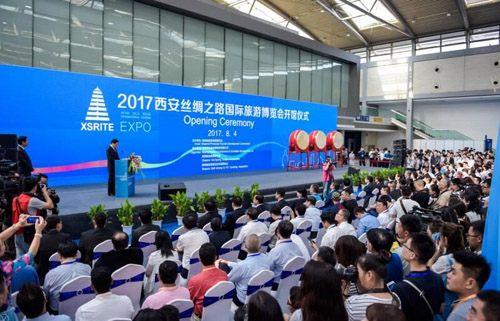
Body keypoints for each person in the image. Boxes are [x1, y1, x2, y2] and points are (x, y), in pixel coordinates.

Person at [392, 233, 445, 321]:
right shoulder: (437, 278)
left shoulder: (401, 288)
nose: (403, 247)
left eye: (405, 245)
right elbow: (441, 309)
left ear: (412, 255)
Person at [218, 234, 272, 306]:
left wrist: (217, 268)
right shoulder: (266, 258)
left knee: (222, 267)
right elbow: (243, 267)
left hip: (242, 300)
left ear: (245, 246)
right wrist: (229, 263)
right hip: (261, 296)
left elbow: (227, 280)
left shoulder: (242, 266)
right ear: (260, 247)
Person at [345, 254, 400, 321]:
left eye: (357, 272)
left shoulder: (352, 302)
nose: (356, 276)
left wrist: (345, 288)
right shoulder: (396, 299)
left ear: (369, 275)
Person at [0, 214, 46, 295]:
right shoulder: (6, 268)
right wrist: (38, 232)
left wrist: (19, 225)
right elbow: (30, 254)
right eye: (3, 243)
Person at [43, 240, 91, 314]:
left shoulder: (51, 274)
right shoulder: (87, 268)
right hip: (84, 307)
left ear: (59, 255)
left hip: (57, 311)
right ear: (76, 254)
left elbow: (46, 295)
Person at [12, 177, 54, 256]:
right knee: (30, 257)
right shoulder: (32, 200)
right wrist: (45, 192)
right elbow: (50, 205)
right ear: (34, 187)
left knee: (20, 257)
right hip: (28, 233)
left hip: (17, 231)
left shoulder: (16, 199)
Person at [446, 251, 491, 321]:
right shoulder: (485, 308)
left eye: (453, 272)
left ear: (470, 283)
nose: (448, 275)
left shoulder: (459, 315)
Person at [188, 243, 228, 319]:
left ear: (199, 259)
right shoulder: (224, 275)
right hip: (219, 313)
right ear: (215, 257)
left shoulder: (195, 281)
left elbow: (189, 302)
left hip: (200, 317)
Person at [35, 215, 70, 284]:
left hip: (44, 275)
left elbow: (36, 259)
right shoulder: (66, 237)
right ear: (58, 225)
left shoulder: (39, 240)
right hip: (65, 274)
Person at [176, 213, 209, 279]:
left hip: (187, 271)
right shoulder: (204, 233)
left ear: (184, 226)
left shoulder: (182, 237)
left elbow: (179, 249)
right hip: (204, 265)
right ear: (196, 223)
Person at [144, 230, 177, 296]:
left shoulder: (153, 255)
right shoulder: (175, 253)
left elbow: (148, 273)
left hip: (156, 287)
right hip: (172, 283)